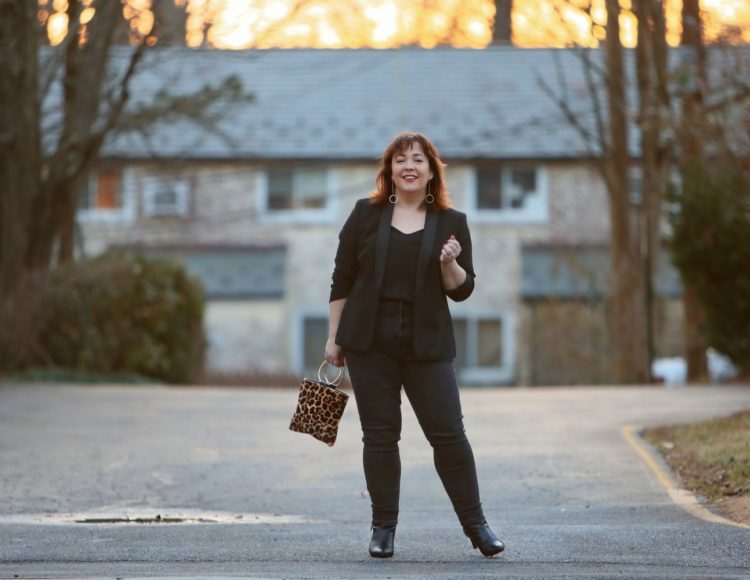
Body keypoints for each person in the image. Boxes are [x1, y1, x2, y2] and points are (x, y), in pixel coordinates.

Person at [324, 131, 505, 559]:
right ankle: (383, 528)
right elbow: (342, 278)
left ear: (430, 171)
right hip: (370, 343)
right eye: (400, 159)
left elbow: (463, 290)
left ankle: (477, 526)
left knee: (449, 436)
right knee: (380, 438)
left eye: (418, 159)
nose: (409, 165)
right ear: (389, 170)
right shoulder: (364, 214)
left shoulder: (451, 221)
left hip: (428, 345)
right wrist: (334, 338)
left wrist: (450, 264)